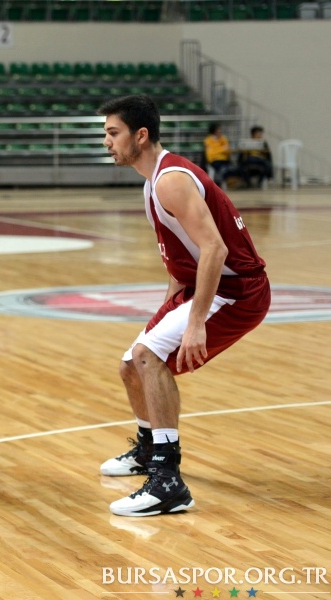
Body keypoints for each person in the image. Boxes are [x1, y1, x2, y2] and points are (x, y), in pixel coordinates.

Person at [97, 95, 271, 517]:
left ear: (141, 135)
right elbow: (182, 259)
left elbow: (215, 248)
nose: (107, 141)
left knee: (148, 357)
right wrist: (163, 315)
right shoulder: (153, 181)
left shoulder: (170, 181)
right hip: (202, 286)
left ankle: (168, 480)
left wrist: (194, 324)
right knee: (131, 364)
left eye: (113, 132)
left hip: (238, 291)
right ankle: (147, 450)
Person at [203, 122, 231, 187]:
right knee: (220, 167)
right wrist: (222, 150)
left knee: (230, 168)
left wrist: (216, 150)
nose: (220, 131)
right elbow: (210, 154)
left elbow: (227, 150)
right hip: (213, 161)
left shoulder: (223, 139)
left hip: (224, 160)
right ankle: (219, 183)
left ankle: (223, 182)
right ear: (214, 131)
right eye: (218, 129)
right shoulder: (208, 140)